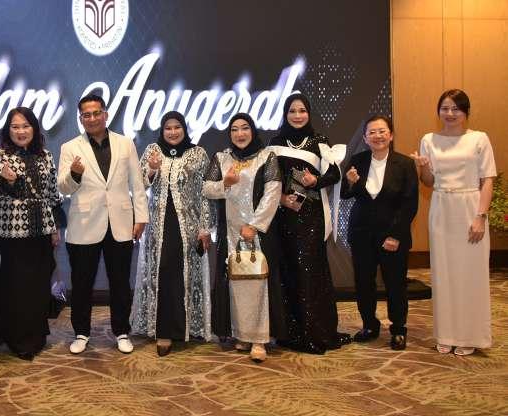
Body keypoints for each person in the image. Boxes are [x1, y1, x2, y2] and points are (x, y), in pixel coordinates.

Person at [58, 94, 148, 354]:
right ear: (80, 119)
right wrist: (74, 174)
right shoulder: (69, 147)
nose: (92, 118)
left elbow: (137, 183)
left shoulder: (125, 143)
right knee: (82, 283)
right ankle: (81, 333)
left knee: (120, 282)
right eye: (86, 115)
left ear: (105, 114)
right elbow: (63, 187)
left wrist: (141, 216)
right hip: (84, 224)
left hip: (120, 222)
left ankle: (121, 332)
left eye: (96, 113)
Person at [411, 89, 496, 356]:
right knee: (443, 273)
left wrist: (480, 216)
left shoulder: (479, 139)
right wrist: (423, 166)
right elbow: (428, 182)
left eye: (456, 109)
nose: (450, 113)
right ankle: (447, 333)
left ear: (465, 112)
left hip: (470, 207)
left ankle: (471, 335)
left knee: (471, 273)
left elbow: (487, 180)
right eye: (445, 108)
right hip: (441, 206)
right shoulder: (429, 140)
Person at [267, 93, 351, 354]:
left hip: (311, 217)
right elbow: (267, 179)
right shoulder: (275, 142)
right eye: (292, 111)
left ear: (309, 113)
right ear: (285, 114)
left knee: (310, 272)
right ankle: (290, 333)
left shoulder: (319, 141)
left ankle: (315, 332)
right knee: (288, 271)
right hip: (284, 216)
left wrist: (316, 181)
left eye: (302, 110)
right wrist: (281, 199)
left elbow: (334, 174)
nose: (297, 115)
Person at [130, 111, 213, 356]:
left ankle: (185, 327)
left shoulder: (198, 154)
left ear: (184, 129)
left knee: (182, 275)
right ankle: (164, 331)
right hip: (159, 225)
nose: (173, 132)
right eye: (168, 128)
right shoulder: (153, 150)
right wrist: (152, 169)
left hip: (188, 226)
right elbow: (139, 184)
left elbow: (205, 193)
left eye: (177, 127)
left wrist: (205, 228)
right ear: (162, 130)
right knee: (164, 271)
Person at [203, 113, 281, 362]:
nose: (240, 134)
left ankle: (259, 339)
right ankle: (242, 335)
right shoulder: (221, 158)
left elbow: (273, 192)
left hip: (257, 233)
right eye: (234, 129)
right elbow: (206, 188)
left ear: (252, 131)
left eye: (245, 128)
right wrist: (224, 183)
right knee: (236, 282)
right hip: (230, 233)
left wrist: (255, 225)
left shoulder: (267, 157)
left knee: (259, 282)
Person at [0, 107, 61, 360]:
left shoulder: (45, 156)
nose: (21, 131)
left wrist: (54, 228)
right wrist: (8, 181)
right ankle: (16, 337)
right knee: (16, 284)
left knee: (39, 283)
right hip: (12, 230)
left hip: (41, 227)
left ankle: (37, 334)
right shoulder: (0, 155)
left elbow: (52, 195)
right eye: (15, 127)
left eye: (26, 126)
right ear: (8, 130)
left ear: (34, 128)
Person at [340, 115, 418, 351]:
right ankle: (369, 325)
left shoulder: (404, 164)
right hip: (361, 233)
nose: (377, 136)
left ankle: (398, 329)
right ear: (365, 138)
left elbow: (409, 204)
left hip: (392, 234)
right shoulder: (358, 160)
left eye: (382, 131)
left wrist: (395, 235)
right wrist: (350, 182)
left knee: (395, 283)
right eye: (372, 132)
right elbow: (345, 194)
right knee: (364, 282)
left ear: (391, 135)